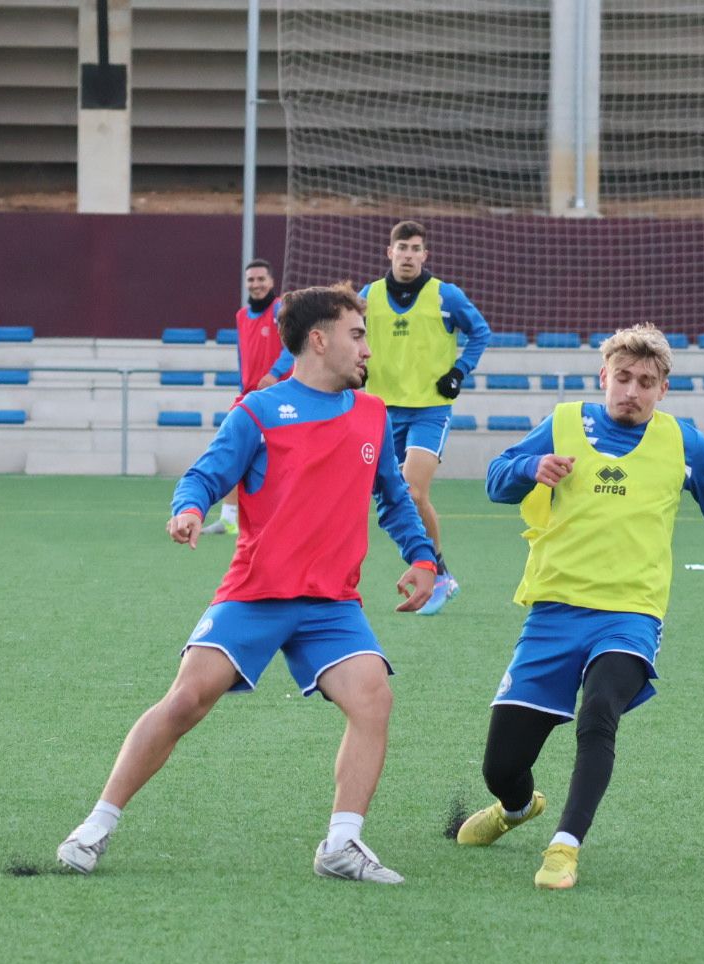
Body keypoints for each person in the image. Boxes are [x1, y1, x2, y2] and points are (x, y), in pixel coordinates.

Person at [58, 283, 438, 884]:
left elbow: (393, 498)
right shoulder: (258, 413)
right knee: (186, 700)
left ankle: (342, 844)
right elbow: (206, 473)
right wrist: (188, 508)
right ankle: (95, 826)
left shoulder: (373, 414)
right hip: (255, 593)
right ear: (320, 340)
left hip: (331, 604)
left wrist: (424, 558)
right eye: (357, 334)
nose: (367, 347)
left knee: (373, 698)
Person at [454, 324, 704, 890]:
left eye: (645, 382)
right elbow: (495, 481)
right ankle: (516, 808)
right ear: (603, 377)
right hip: (553, 614)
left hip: (630, 616)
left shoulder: (684, 444)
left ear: (663, 390)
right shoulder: (561, 424)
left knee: (599, 708)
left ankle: (564, 847)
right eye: (622, 378)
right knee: (500, 767)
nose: (631, 390)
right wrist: (531, 469)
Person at [360, 220, 490, 615]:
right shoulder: (370, 296)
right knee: (390, 496)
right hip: (380, 410)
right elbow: (351, 334)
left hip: (430, 409)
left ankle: (438, 574)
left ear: (424, 255)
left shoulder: (444, 296)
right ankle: (435, 569)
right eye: (403, 248)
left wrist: (459, 371)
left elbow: (480, 332)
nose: (409, 255)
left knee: (413, 492)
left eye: (416, 249)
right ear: (390, 252)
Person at [204, 258, 293, 537]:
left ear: (271, 282)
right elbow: (244, 354)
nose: (256, 284)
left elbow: (291, 347)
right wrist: (244, 384)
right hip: (249, 396)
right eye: (251, 280)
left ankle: (287, 518)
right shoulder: (242, 316)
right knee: (231, 448)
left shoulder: (281, 309)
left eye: (260, 279)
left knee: (284, 458)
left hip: (280, 394)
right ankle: (230, 518)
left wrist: (275, 373)